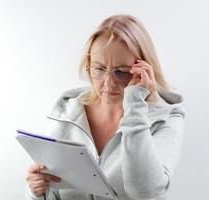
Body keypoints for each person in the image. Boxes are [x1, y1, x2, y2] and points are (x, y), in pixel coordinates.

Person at [25, 14, 185, 200]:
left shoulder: (166, 119)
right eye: (99, 69)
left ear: (144, 71)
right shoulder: (67, 115)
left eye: (121, 72)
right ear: (88, 67)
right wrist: (37, 192)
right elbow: (54, 191)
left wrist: (135, 105)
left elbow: (145, 192)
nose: (108, 83)